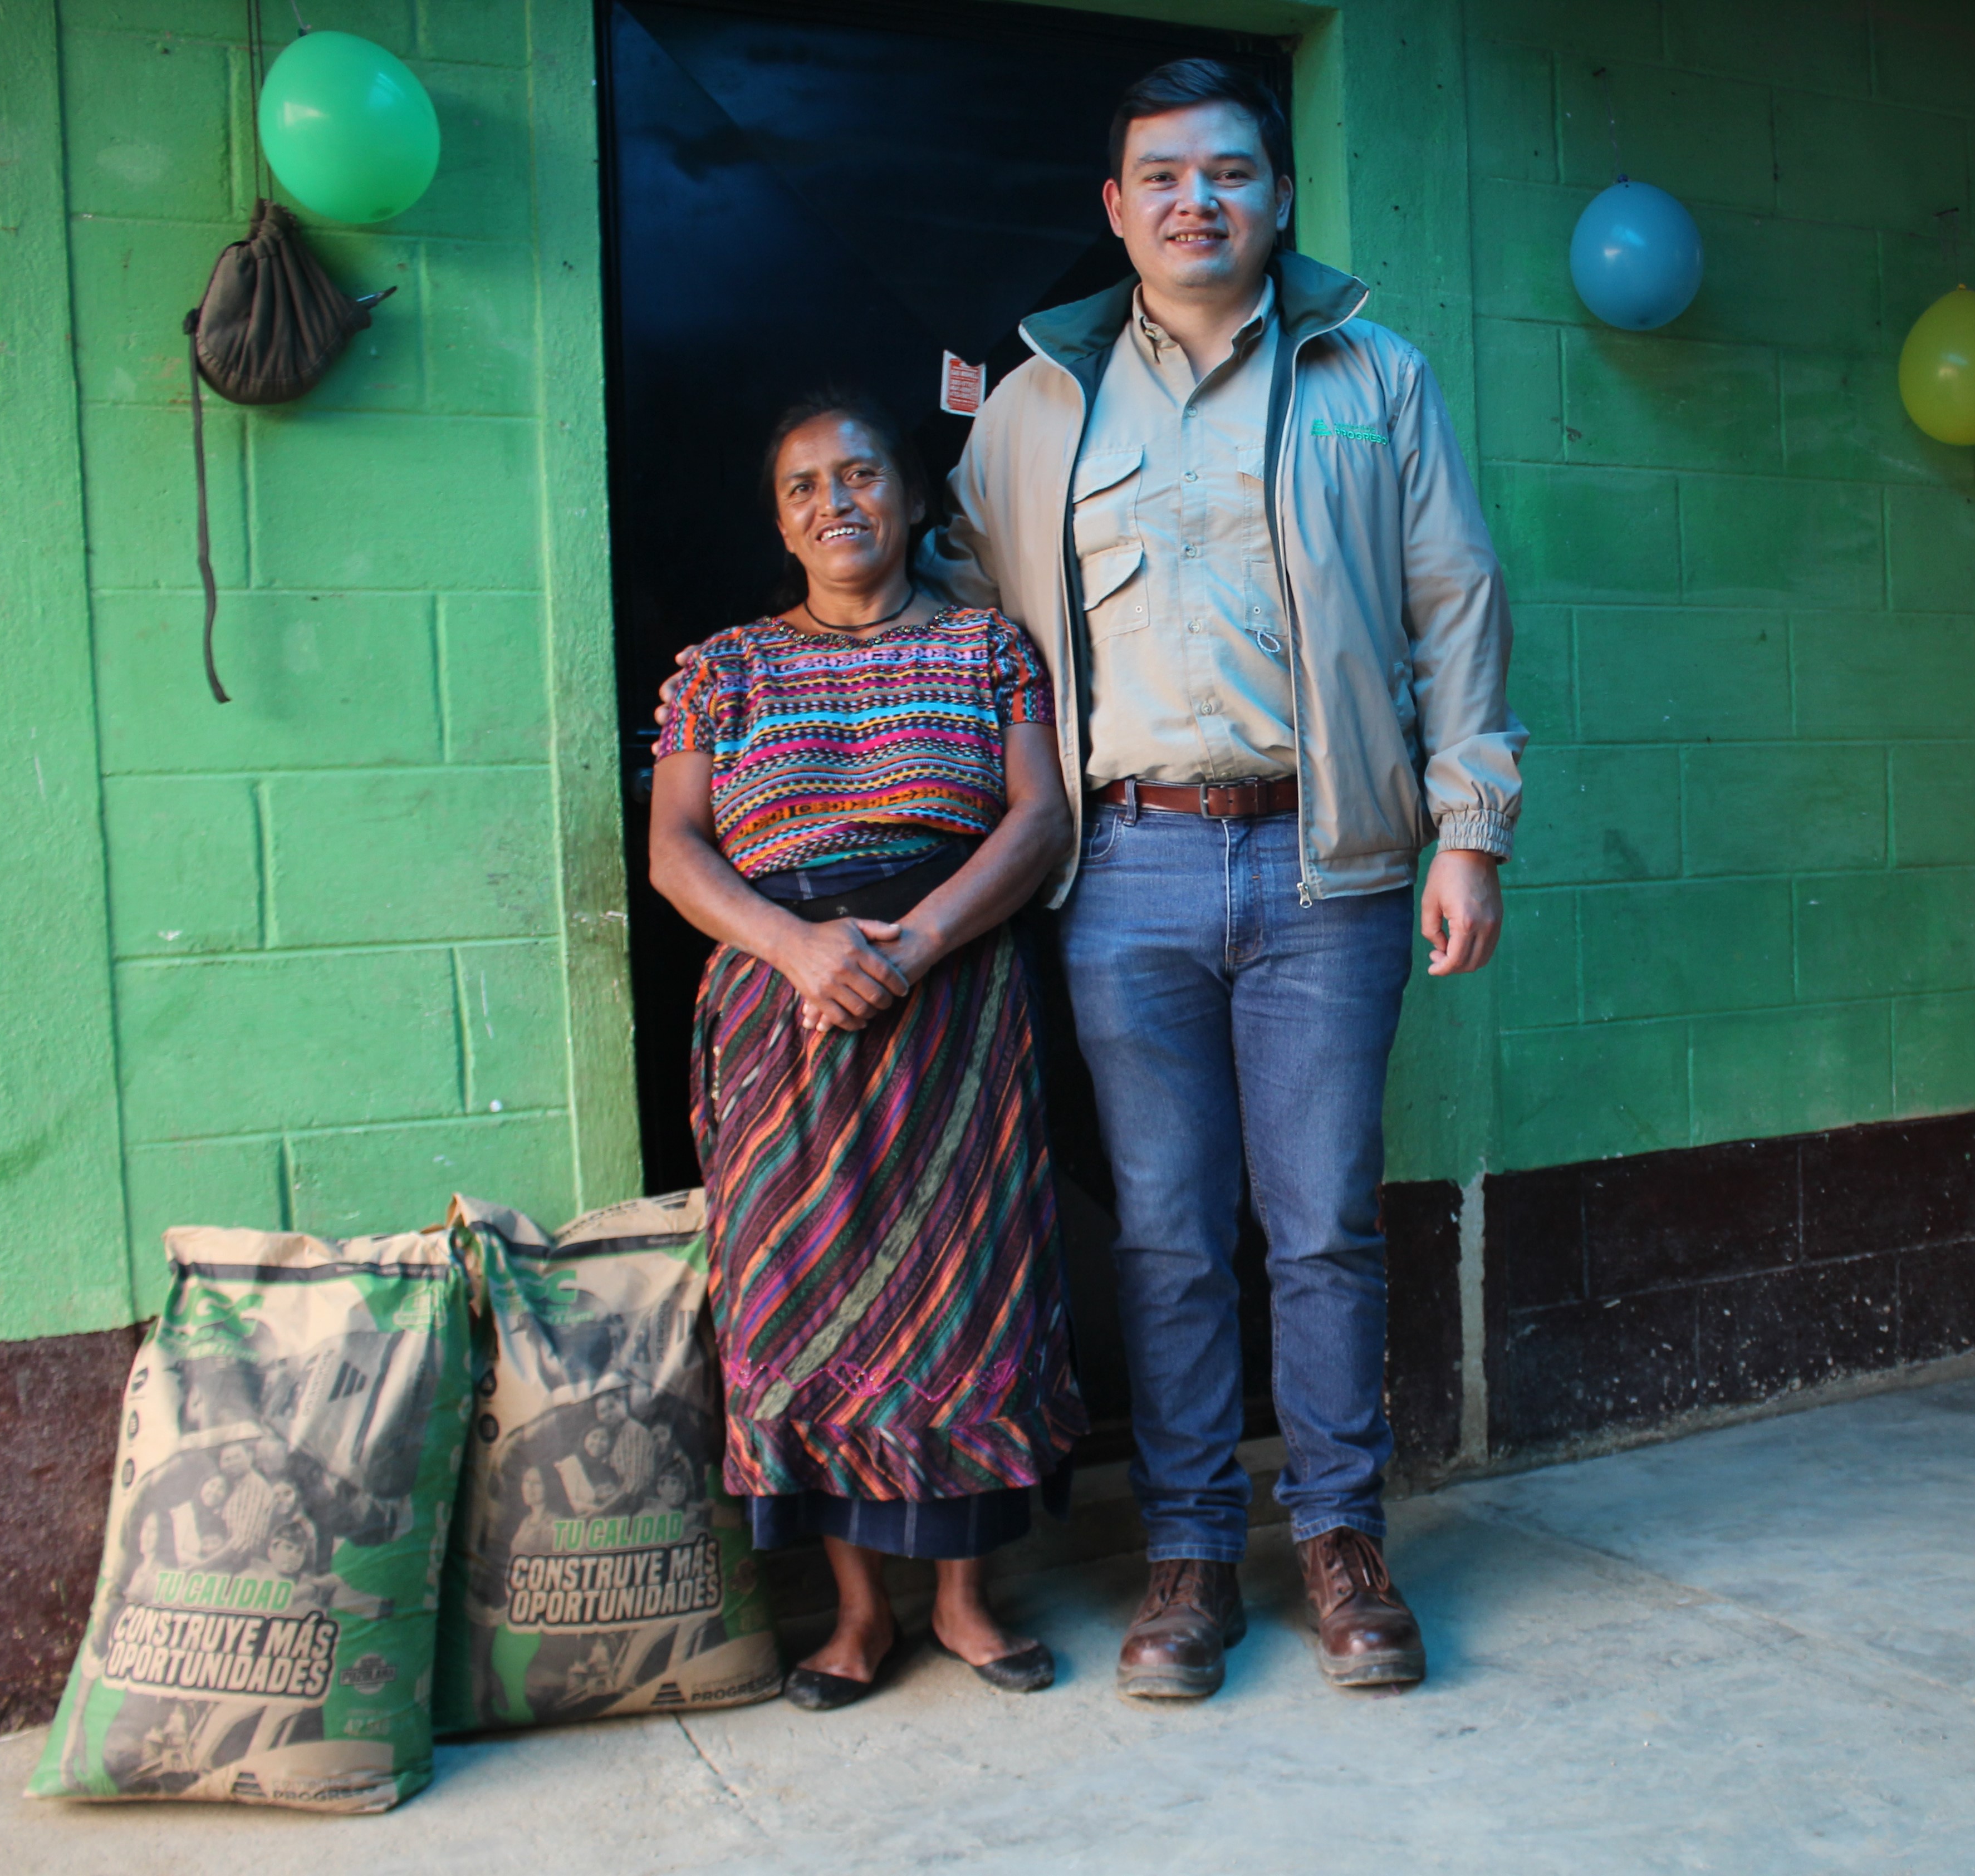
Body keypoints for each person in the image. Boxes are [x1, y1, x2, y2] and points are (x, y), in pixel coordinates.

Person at [665, 57, 1522, 1699]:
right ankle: (1190, 1555)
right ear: (1114, 210)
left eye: (1228, 173)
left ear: (1274, 198)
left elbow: (1455, 606)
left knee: (1324, 1224)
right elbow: (964, 624)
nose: (1196, 199)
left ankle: (1340, 1543)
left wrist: (1468, 827)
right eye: (1161, 176)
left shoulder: (1372, 381)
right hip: (1118, 861)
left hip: (1326, 859)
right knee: (1168, 1235)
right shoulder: (1037, 403)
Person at [647, 386, 1088, 1710]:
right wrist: (803, 950)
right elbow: (675, 849)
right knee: (807, 1306)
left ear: (907, 497)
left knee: (963, 1298)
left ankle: (962, 1600)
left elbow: (1040, 820)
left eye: (859, 476)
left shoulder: (990, 651)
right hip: (786, 1017)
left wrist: (915, 942)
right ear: (777, 520)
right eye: (803, 486)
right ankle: (854, 1614)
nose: (834, 503)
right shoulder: (717, 671)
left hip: (951, 1004)